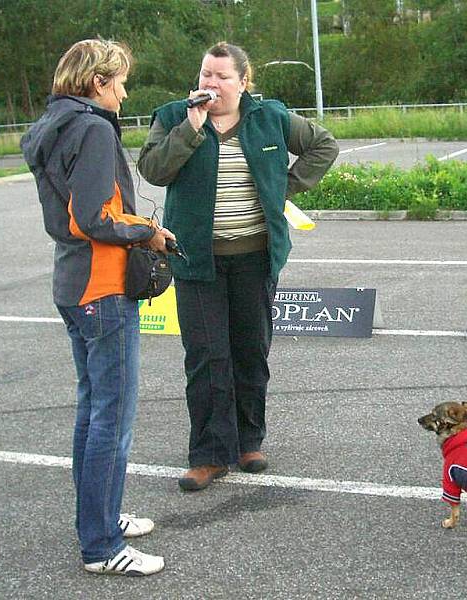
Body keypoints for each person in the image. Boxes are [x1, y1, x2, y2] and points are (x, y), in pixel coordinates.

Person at [138, 42, 339, 492]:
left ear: (243, 82)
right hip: (196, 262)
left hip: (254, 258)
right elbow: (153, 169)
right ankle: (208, 454)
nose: (210, 83)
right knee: (207, 357)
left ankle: (249, 441)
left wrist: (282, 185)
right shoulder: (173, 116)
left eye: (222, 76)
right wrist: (190, 129)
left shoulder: (269, 117)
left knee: (250, 351)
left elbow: (324, 145)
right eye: (206, 74)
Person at [21, 39, 175, 575]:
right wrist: (149, 232)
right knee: (112, 418)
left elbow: (68, 218)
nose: (125, 91)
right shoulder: (91, 128)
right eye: (121, 81)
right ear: (97, 83)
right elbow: (93, 216)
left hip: (73, 283)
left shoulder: (52, 124)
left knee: (93, 412)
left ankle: (99, 519)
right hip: (102, 287)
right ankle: (102, 545)